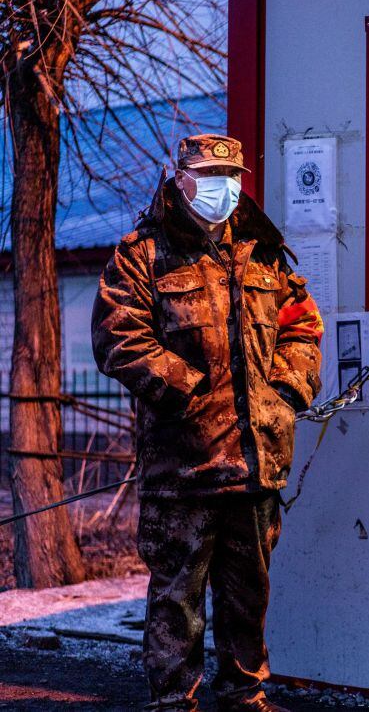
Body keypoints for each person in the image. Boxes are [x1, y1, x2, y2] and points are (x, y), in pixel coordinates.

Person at [92, 134, 323, 712]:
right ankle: (175, 702)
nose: (223, 191)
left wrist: (287, 389)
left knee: (249, 596)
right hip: (185, 466)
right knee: (178, 600)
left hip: (256, 460)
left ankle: (246, 696)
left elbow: (302, 322)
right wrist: (186, 392)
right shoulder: (142, 253)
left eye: (233, 179)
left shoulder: (262, 251)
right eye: (209, 178)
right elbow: (117, 336)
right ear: (181, 179)